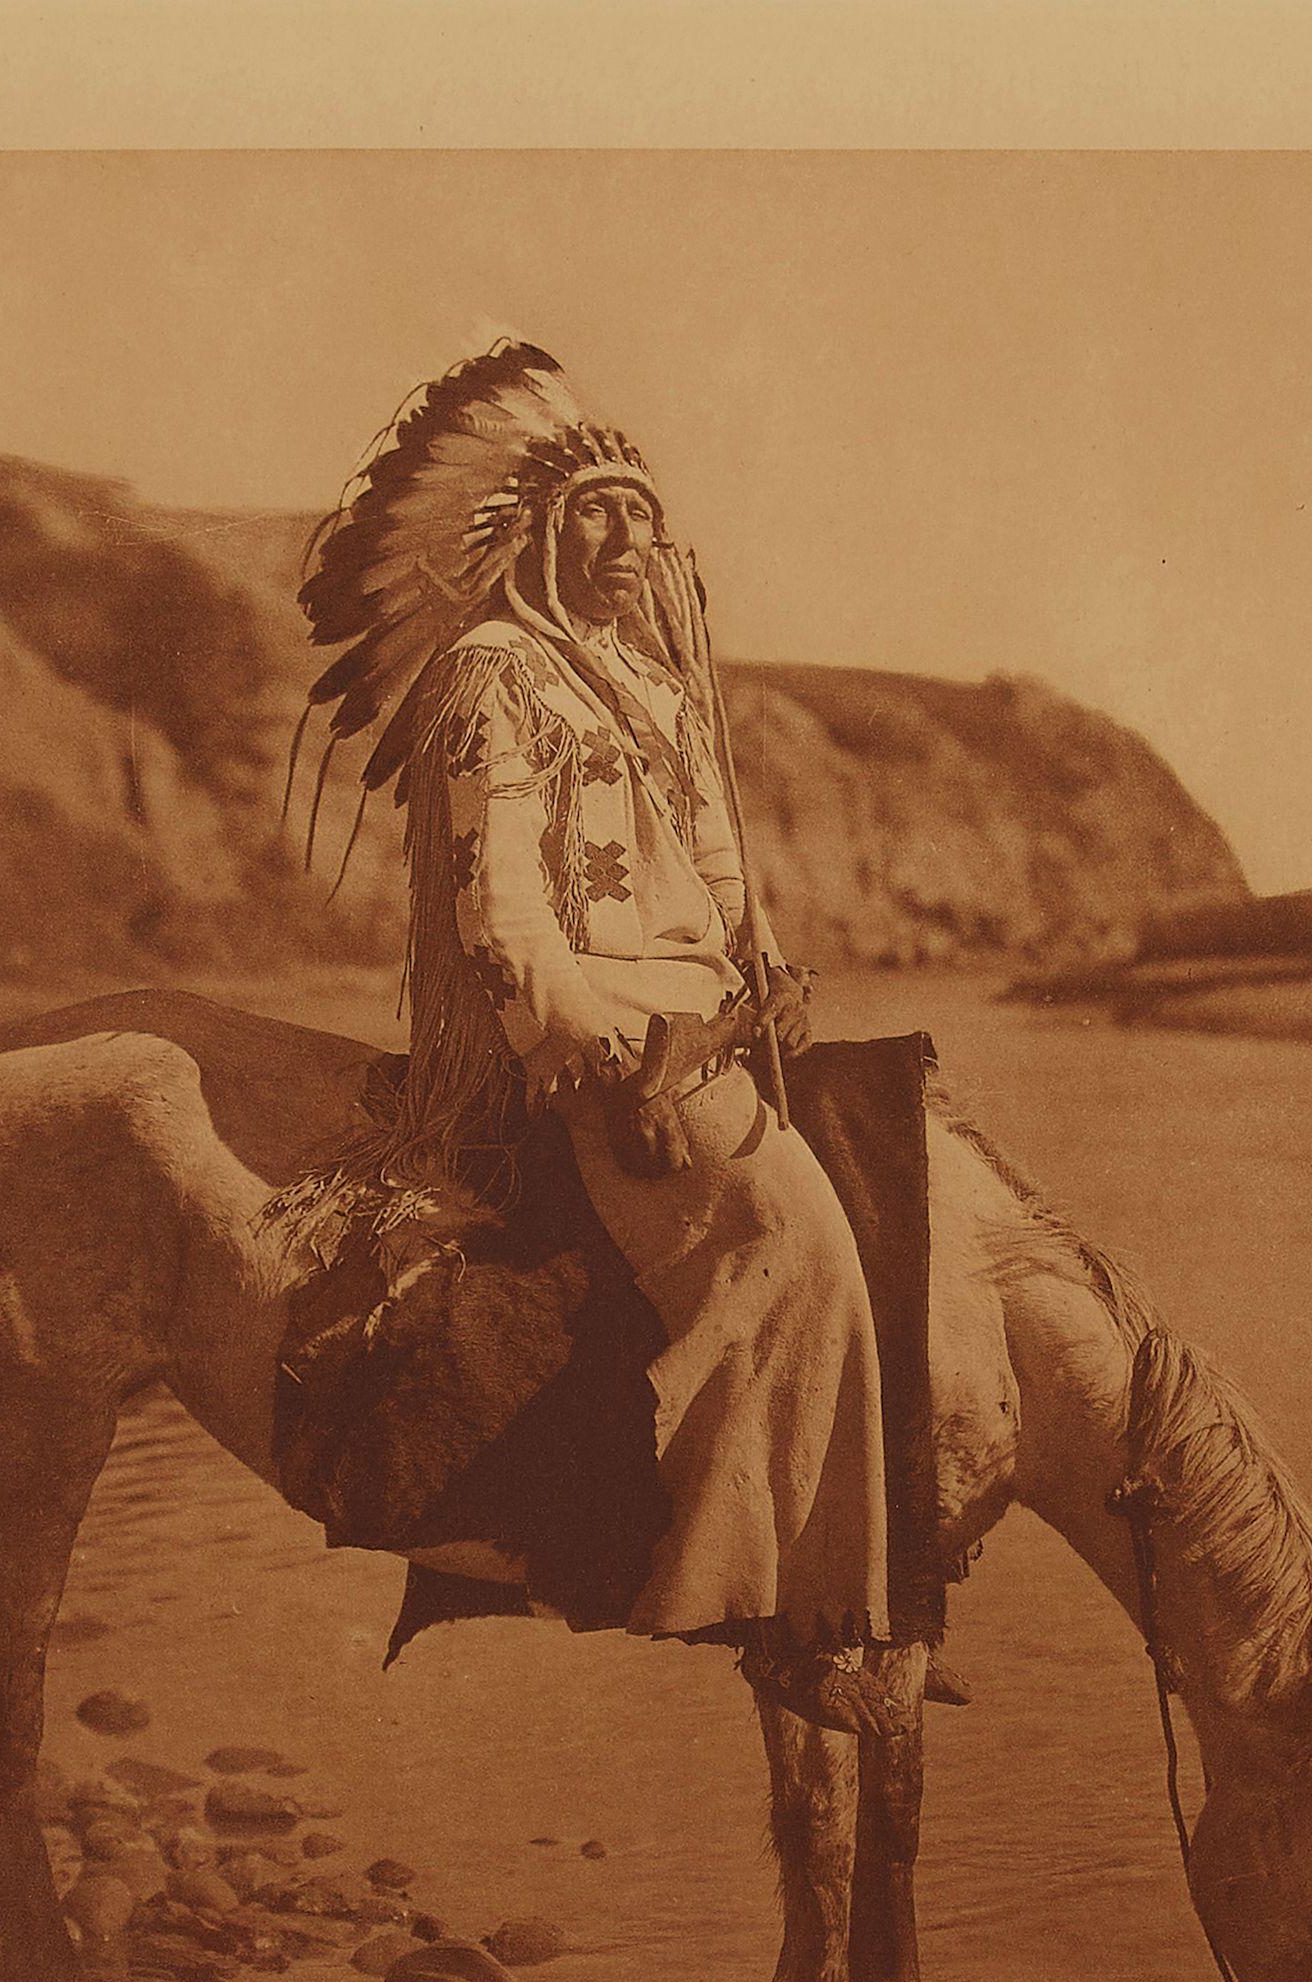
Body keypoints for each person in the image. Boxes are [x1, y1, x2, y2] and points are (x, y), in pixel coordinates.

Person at [294, 342, 900, 1723]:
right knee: (787, 1239)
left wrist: (768, 958)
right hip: (600, 1027)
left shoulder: (656, 685)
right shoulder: (493, 674)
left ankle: (850, 1570)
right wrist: (576, 1041)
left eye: (639, 509)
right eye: (595, 514)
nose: (626, 534)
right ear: (538, 537)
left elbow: (713, 866)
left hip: (708, 1009)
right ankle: (762, 1609)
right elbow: (494, 894)